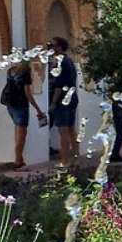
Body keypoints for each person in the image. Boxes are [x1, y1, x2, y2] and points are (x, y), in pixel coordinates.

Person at [0, 60, 47, 170]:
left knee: (17, 132)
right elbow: (28, 94)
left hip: (10, 105)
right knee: (21, 136)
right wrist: (38, 109)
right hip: (21, 106)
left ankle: (20, 159)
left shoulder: (10, 71)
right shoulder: (25, 73)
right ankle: (17, 161)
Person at [48, 36, 79, 165]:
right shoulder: (69, 61)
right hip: (72, 98)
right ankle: (76, 158)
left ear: (59, 47)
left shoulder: (61, 62)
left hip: (62, 101)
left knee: (63, 131)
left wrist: (53, 103)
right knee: (71, 130)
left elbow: (59, 86)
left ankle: (64, 160)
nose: (50, 48)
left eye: (52, 46)